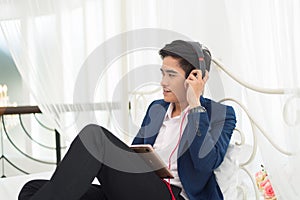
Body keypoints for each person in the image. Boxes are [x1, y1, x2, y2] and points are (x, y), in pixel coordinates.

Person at [18, 40, 236, 200]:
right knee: (31, 189)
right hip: (138, 189)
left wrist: (195, 106)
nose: (163, 82)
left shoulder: (221, 114)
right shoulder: (157, 108)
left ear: (194, 77)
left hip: (173, 196)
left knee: (95, 135)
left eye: (171, 75)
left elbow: (205, 163)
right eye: (162, 73)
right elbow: (135, 152)